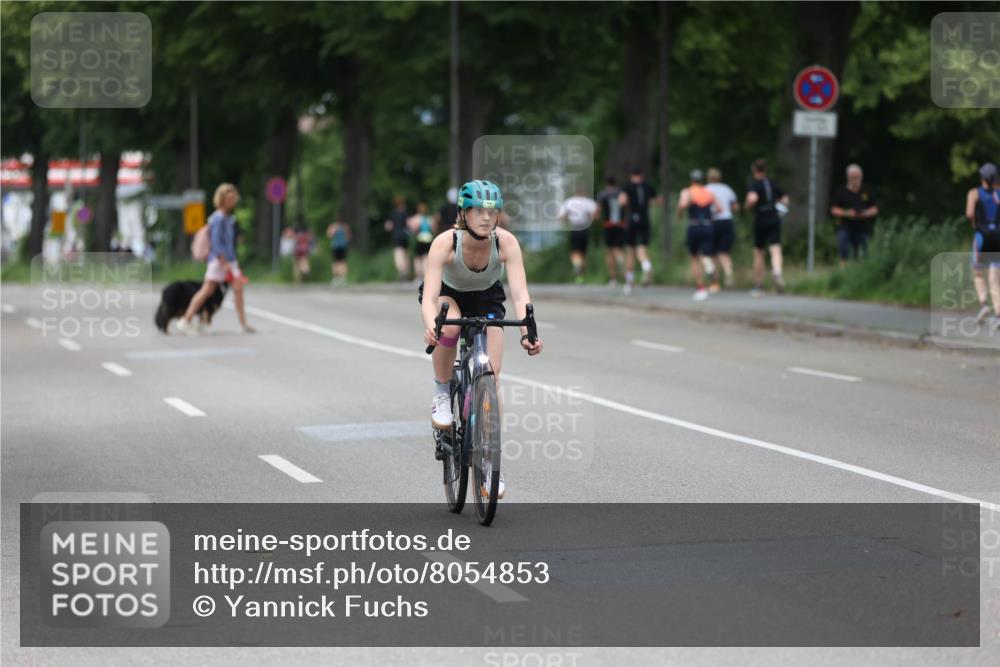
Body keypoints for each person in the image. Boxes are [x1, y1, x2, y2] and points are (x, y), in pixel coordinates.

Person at [419, 179, 543, 500]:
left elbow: (520, 294)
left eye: (492, 211)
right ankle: (442, 392)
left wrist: (528, 333)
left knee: (491, 375)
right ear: (464, 213)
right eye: (478, 211)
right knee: (448, 327)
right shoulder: (445, 243)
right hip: (449, 296)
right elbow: (429, 297)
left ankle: (489, 463)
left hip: (487, 298)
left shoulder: (506, 243)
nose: (486, 217)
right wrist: (431, 325)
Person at [177, 183, 254, 335]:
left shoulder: (228, 218)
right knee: (207, 290)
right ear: (222, 200)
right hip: (220, 261)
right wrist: (224, 262)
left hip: (229, 260)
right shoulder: (218, 218)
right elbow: (216, 242)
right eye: (230, 198)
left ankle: (243, 323)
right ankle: (186, 319)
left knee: (237, 289)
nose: (233, 201)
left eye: (234, 198)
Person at [744, 158, 790, 295]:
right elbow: (785, 200)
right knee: (775, 248)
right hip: (774, 217)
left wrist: (747, 206)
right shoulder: (773, 183)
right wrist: (780, 209)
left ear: (754, 170)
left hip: (761, 218)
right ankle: (777, 271)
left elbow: (752, 199)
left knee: (759, 252)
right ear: (765, 170)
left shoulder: (755, 185)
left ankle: (758, 284)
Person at [965, 162, 1000, 334]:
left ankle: (984, 304)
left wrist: (975, 222)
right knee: (995, 278)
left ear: (982, 177)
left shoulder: (974, 193)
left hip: (982, 236)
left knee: (978, 273)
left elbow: (970, 213)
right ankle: (998, 315)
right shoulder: (998, 193)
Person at [677, 170, 722, 301]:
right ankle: (709, 265)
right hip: (708, 226)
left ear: (691, 180)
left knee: (694, 257)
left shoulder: (687, 192)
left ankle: (701, 287)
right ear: (702, 180)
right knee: (706, 254)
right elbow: (719, 209)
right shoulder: (708, 193)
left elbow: (682, 205)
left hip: (694, 225)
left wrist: (680, 213)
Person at [618, 167, 661, 294]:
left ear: (631, 175)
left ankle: (629, 282)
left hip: (632, 219)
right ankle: (646, 266)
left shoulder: (627, 187)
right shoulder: (647, 186)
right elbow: (656, 201)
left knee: (630, 252)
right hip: (645, 219)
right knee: (642, 250)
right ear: (641, 176)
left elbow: (622, 201)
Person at [831, 164, 879, 268]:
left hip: (863, 225)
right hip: (846, 225)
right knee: (843, 243)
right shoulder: (841, 191)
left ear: (861, 177)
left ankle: (863, 268)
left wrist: (865, 213)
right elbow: (834, 209)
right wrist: (847, 213)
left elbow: (875, 208)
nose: (855, 180)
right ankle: (843, 267)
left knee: (865, 248)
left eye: (857, 177)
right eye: (852, 177)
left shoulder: (867, 190)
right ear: (848, 178)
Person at [706, 167, 739, 289]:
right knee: (724, 252)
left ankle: (715, 281)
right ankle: (728, 273)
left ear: (708, 177)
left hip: (712, 222)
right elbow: (735, 207)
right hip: (726, 221)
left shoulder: (706, 189)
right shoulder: (727, 188)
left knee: (713, 253)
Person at [558, 188, 598, 284]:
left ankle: (577, 267)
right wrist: (589, 219)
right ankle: (580, 276)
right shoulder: (588, 202)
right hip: (584, 229)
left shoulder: (569, 202)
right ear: (583, 193)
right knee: (583, 254)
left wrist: (567, 220)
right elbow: (595, 216)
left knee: (575, 252)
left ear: (575, 193)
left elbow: (561, 216)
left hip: (574, 228)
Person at [597, 176, 626, 286]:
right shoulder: (621, 193)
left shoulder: (602, 194)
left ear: (606, 183)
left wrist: (597, 218)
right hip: (620, 225)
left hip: (608, 225)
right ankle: (622, 264)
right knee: (619, 250)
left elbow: (598, 211)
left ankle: (613, 279)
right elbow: (626, 206)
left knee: (609, 252)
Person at [408, 202, 437, 281]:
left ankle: (418, 276)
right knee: (426, 257)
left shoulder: (415, 218)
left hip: (419, 239)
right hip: (429, 239)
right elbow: (434, 230)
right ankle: (425, 275)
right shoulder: (430, 219)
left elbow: (413, 230)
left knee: (418, 258)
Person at [384, 195, 410, 281]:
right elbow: (409, 224)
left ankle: (401, 271)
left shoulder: (393, 214)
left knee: (398, 254)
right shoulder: (406, 213)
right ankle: (406, 272)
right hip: (405, 236)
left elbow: (388, 226)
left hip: (396, 236)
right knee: (406, 254)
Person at [326, 220, 351, 286]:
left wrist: (331, 229)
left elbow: (330, 236)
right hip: (343, 246)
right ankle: (343, 278)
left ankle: (336, 278)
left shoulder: (334, 227)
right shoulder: (345, 227)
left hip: (336, 246)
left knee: (336, 263)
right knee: (343, 262)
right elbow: (348, 237)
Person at [292, 219, 314, 284]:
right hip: (305, 249)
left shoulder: (296, 233)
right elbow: (311, 240)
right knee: (304, 261)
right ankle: (305, 270)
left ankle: (298, 279)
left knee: (296, 265)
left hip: (297, 249)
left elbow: (293, 239)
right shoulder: (307, 233)